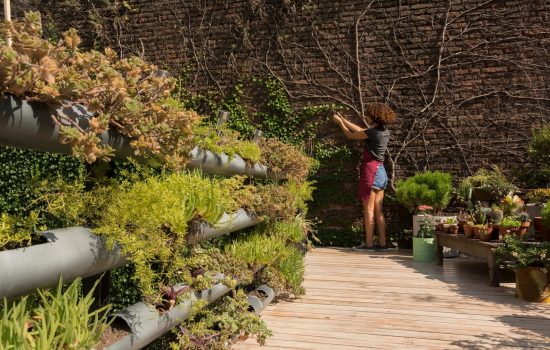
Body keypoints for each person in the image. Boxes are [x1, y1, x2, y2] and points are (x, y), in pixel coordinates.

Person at [333, 103, 396, 250]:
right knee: (378, 210)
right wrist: (344, 118)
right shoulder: (384, 132)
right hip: (381, 172)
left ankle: (368, 244)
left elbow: (351, 135)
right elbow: (362, 130)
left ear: (375, 117)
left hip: (371, 171)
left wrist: (340, 123)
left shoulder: (373, 133)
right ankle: (382, 243)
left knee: (368, 209)